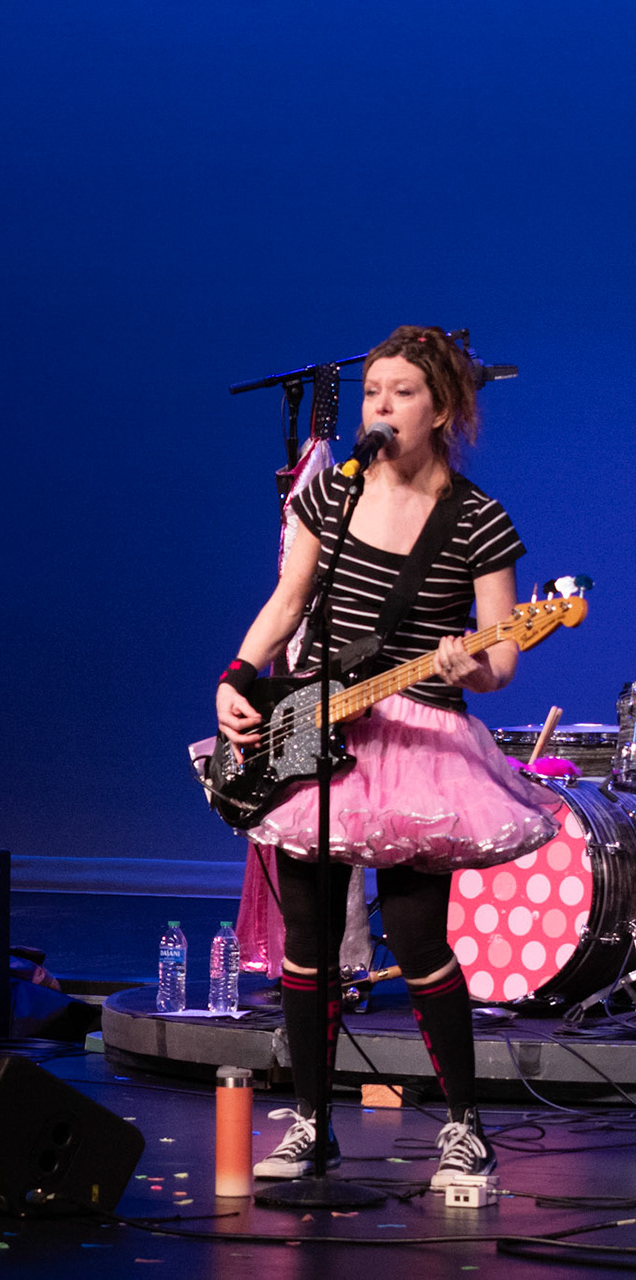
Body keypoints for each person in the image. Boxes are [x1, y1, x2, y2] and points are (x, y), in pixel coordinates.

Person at [215, 325, 555, 1190]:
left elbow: (502, 658)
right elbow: (288, 600)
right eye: (373, 391)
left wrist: (472, 664)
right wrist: (238, 676)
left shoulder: (478, 520)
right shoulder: (332, 494)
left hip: (419, 743)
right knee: (309, 938)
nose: (381, 406)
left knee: (415, 936)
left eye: (402, 392)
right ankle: (311, 1121)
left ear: (441, 409)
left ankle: (464, 1127)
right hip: (317, 724)